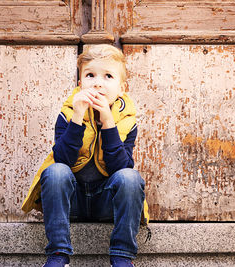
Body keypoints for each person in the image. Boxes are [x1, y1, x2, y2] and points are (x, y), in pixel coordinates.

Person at [21, 44, 149, 267]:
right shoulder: (68, 114)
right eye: (90, 75)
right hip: (72, 203)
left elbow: (121, 167)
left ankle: (121, 256)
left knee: (130, 178)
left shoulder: (127, 121)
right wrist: (78, 117)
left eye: (108, 76)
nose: (98, 82)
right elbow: (62, 160)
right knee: (55, 171)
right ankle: (58, 256)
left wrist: (108, 121)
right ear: (80, 84)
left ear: (121, 88)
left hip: (107, 204)